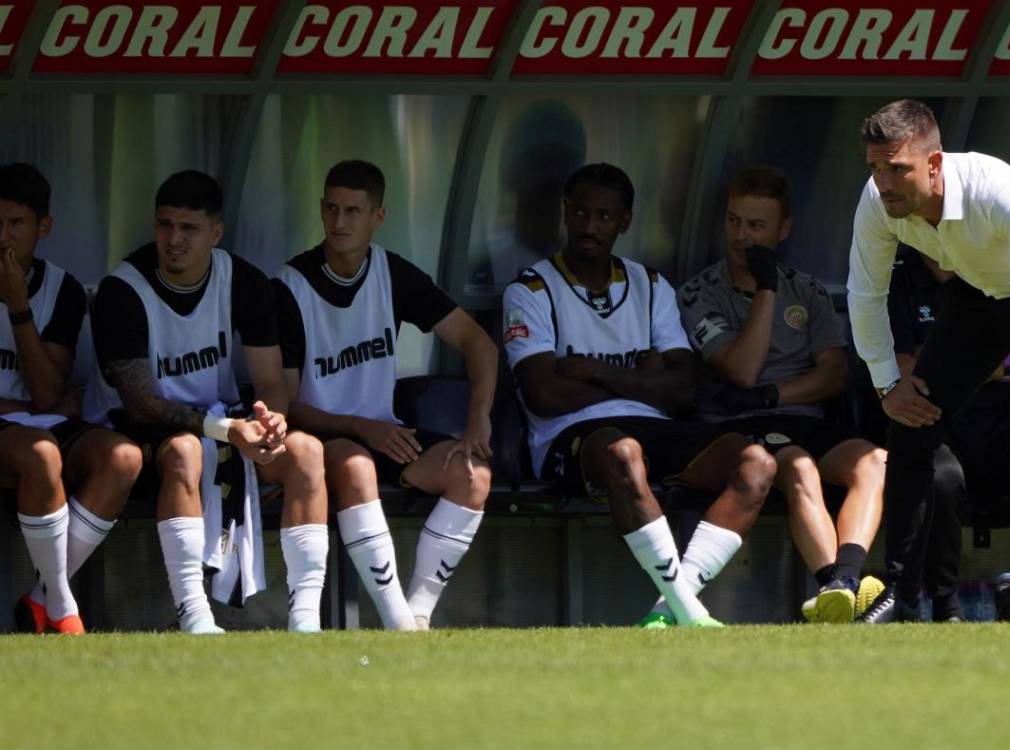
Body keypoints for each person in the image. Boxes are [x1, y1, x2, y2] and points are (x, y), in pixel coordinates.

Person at [846, 99, 1010, 620]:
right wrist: (885, 386)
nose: (884, 183)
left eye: (897, 169)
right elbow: (865, 294)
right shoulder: (878, 201)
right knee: (910, 422)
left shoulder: (996, 191)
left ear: (936, 163)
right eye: (875, 168)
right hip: (976, 295)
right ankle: (900, 594)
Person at [504, 163, 776, 628]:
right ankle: (690, 614)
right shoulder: (531, 289)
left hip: (656, 425)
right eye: (581, 213)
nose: (590, 226)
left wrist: (591, 371)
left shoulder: (650, 286)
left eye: (604, 216)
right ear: (566, 213)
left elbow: (683, 389)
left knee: (757, 463)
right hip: (573, 437)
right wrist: (641, 375)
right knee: (624, 453)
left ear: (625, 221)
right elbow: (544, 393)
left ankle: (672, 605)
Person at [85, 170, 329, 634]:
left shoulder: (245, 281)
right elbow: (141, 405)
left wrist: (270, 420)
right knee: (185, 450)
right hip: (136, 429)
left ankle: (305, 621)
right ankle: (194, 614)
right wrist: (227, 431)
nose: (173, 239)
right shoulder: (122, 289)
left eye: (188, 228)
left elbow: (270, 382)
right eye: (164, 225)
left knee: (307, 452)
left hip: (224, 423)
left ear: (215, 233)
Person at [274, 160, 499, 631]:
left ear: (378, 217)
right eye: (332, 209)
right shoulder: (290, 286)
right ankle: (397, 620)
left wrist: (479, 418)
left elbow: (478, 343)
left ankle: (419, 612)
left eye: (353, 211)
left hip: (383, 433)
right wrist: (360, 427)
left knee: (472, 476)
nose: (339, 222)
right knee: (356, 465)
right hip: (320, 437)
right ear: (320, 209)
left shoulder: (392, 274)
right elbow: (286, 404)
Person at [679, 165, 889, 624]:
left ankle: (845, 582)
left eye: (756, 225)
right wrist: (766, 290)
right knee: (798, 464)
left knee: (874, 461)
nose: (741, 236)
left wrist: (772, 396)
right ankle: (835, 586)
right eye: (734, 221)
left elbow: (833, 375)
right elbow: (741, 369)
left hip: (798, 415)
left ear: (783, 229)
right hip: (739, 429)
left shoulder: (808, 291)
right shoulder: (699, 292)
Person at [0, 163, 142, 634]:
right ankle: (62, 605)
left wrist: (18, 306)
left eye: (16, 223)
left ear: (44, 227)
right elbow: (44, 403)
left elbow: (45, 391)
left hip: (35, 422)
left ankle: (41, 599)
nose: (3, 236)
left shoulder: (60, 288)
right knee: (41, 455)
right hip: (22, 429)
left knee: (122, 457)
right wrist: (29, 410)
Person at [884, 245, 1010, 621]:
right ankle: (942, 606)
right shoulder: (898, 278)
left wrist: (986, 366)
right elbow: (903, 367)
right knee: (943, 478)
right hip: (933, 419)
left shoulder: (994, 267)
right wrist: (993, 364)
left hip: (1001, 423)